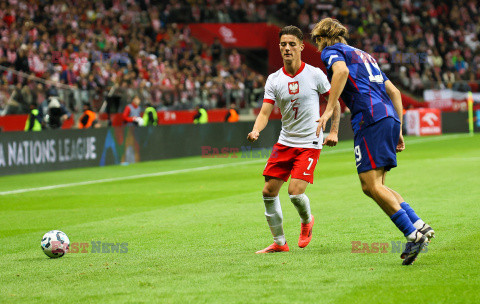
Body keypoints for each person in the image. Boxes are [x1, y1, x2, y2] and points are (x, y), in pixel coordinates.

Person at [312, 18, 435, 265]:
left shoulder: (331, 51)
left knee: (371, 185)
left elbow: (342, 72)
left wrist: (327, 111)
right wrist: (398, 126)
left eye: (316, 41)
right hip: (387, 116)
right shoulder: (365, 55)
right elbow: (395, 92)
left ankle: (412, 235)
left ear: (322, 38)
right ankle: (420, 225)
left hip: (369, 118)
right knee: (376, 185)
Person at [247, 25, 341, 254]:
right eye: (283, 44)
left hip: (310, 141)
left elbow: (335, 102)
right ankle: (280, 243)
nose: (287, 48)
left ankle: (307, 220)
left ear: (301, 46)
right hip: (285, 141)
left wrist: (334, 131)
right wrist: (256, 130)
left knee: (295, 192)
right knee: (268, 192)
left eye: (291, 44)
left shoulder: (315, 74)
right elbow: (265, 112)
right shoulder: (274, 79)